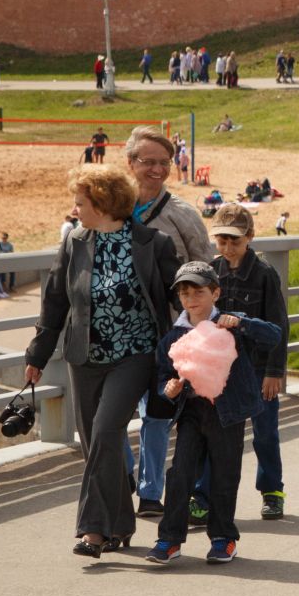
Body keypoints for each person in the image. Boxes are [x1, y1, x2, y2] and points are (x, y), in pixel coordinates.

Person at [23, 164, 178, 558]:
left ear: (104, 203)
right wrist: (38, 355)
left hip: (135, 355)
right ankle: (121, 526)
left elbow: (180, 294)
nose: (74, 210)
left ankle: (92, 530)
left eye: (80, 202)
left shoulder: (152, 244)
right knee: (96, 444)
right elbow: (56, 300)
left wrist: (203, 335)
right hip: (84, 356)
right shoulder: (75, 242)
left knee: (107, 432)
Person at [138, 261, 283, 565]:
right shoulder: (174, 336)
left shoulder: (229, 324)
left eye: (198, 292)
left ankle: (223, 539)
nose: (191, 299)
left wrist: (241, 323)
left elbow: (273, 335)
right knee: (180, 474)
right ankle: (169, 539)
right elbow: (163, 374)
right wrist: (169, 389)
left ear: (215, 293)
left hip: (226, 413)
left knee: (224, 475)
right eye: (185, 293)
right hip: (191, 412)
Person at [124, 126, 213, 520]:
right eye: (148, 162)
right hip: (121, 331)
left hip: (168, 331)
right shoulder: (114, 208)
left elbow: (206, 267)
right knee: (106, 415)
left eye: (164, 162)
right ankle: (123, 472)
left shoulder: (181, 213)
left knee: (158, 412)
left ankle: (150, 492)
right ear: (131, 163)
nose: (157, 169)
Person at [207, 203, 289, 520]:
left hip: (257, 369)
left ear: (250, 237)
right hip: (222, 369)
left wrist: (274, 372)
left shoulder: (265, 274)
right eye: (222, 240)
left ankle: (272, 491)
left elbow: (279, 326)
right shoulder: (211, 271)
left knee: (265, 433)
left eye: (235, 241)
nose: (228, 248)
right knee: (217, 433)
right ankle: (205, 495)